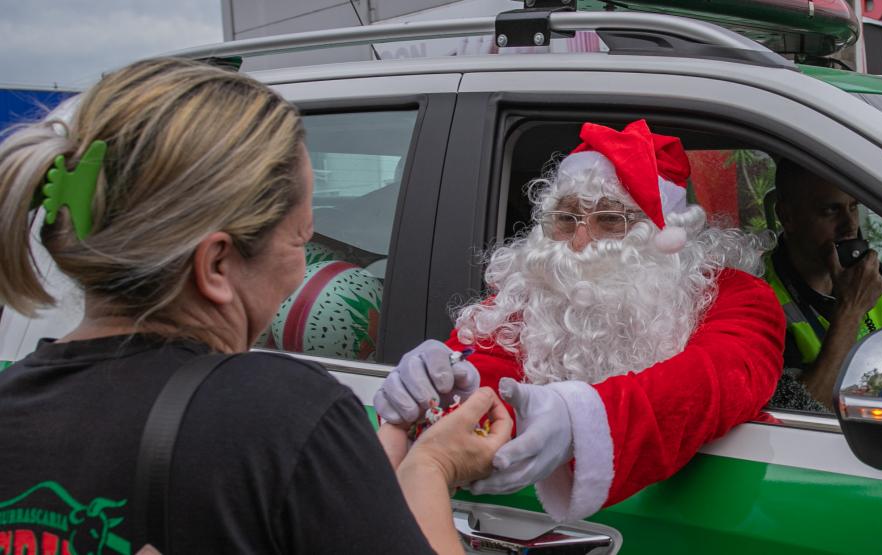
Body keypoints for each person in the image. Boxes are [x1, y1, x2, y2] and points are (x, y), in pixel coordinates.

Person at [0, 57, 512, 555]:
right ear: (217, 265)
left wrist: (392, 443)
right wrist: (433, 467)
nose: (301, 272)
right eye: (301, 244)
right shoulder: (281, 414)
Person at [374, 120, 785, 523]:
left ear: (665, 234)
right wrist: (439, 389)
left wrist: (578, 419)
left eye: (610, 219)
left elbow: (711, 381)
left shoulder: (736, 297)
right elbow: (489, 367)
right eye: (566, 218)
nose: (580, 241)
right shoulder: (537, 290)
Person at [765, 160, 882, 409]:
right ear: (787, 217)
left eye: (853, 208)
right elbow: (800, 414)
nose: (850, 226)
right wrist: (851, 311)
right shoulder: (763, 298)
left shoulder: (874, 277)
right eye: (831, 211)